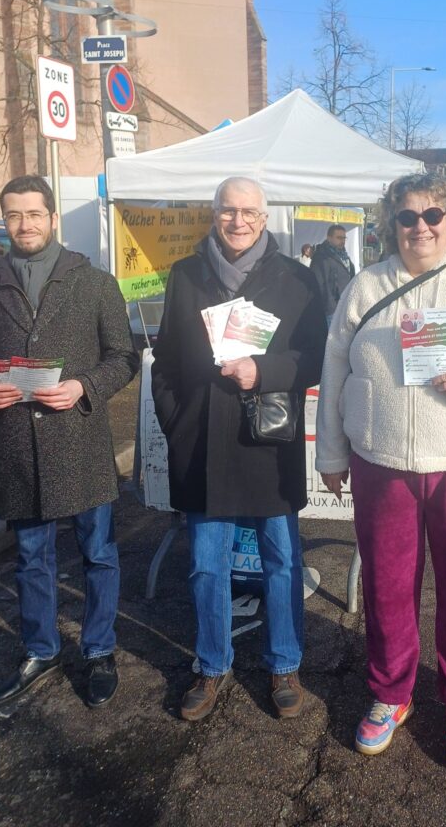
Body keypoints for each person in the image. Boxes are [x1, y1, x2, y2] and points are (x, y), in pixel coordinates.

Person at [316, 172, 446, 770]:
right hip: (383, 463)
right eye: (407, 217)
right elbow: (335, 369)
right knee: (386, 587)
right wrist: (331, 453)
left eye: (433, 215)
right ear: (391, 225)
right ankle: (390, 693)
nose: (421, 227)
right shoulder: (365, 286)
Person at [151, 177, 326, 722]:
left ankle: (284, 663)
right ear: (214, 213)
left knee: (281, 560)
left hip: (267, 440)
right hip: (201, 438)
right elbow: (167, 360)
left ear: (265, 216)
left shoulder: (296, 279)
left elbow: (317, 357)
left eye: (249, 211)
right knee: (206, 564)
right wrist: (175, 420)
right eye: (229, 210)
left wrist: (264, 369)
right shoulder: (185, 274)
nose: (238, 221)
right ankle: (211, 664)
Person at [0, 176, 139, 710]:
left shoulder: (96, 283)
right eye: (14, 215)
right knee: (30, 558)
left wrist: (85, 385)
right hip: (17, 445)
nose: (25, 224)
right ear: (5, 220)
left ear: (53, 217)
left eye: (34, 214)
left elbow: (124, 358)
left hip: (80, 442)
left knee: (98, 554)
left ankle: (99, 649)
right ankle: (40, 649)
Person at [310, 224, 355, 324]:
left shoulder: (344, 255)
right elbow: (320, 284)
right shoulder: (321, 257)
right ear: (329, 238)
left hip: (345, 306)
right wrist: (331, 308)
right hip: (331, 310)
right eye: (339, 238)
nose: (342, 241)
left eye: (344, 238)